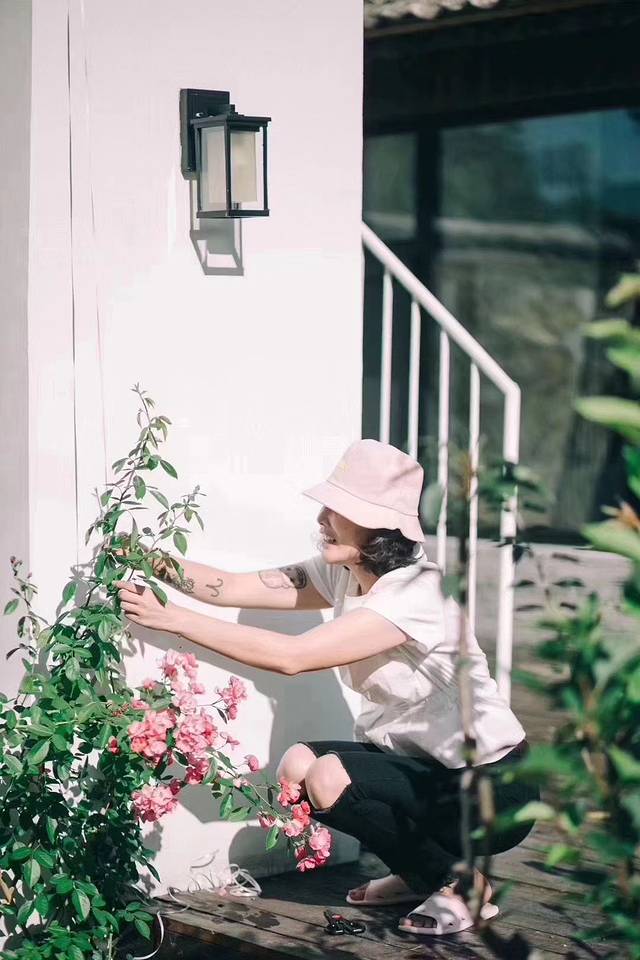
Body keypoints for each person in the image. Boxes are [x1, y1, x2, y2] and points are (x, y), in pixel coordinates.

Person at [117, 439, 539, 937]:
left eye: (338, 510)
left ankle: (461, 885)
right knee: (298, 766)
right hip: (428, 770)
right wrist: (144, 556)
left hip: (491, 788)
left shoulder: (415, 594)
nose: (322, 518)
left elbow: (293, 657)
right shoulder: (344, 573)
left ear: (381, 526)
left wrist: (174, 620)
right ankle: (424, 873)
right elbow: (230, 587)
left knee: (329, 776)